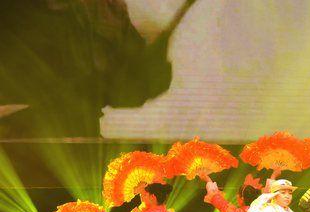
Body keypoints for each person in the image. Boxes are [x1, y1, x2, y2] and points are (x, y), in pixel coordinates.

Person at [0, 0, 196, 138]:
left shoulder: (102, 9)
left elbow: (126, 93)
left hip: (79, 148)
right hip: (13, 143)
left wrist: (150, 58)